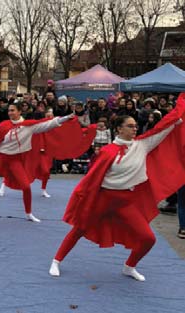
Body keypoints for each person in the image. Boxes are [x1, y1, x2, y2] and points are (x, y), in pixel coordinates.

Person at [49, 96, 185, 281]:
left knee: (148, 239)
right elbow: (91, 179)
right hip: (104, 199)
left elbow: (161, 131)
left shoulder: (142, 145)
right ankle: (56, 260)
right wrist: (82, 197)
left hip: (127, 202)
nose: (135, 128)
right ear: (119, 129)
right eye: (130, 125)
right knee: (79, 229)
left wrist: (179, 117)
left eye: (135, 125)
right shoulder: (108, 151)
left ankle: (129, 267)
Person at [0, 103, 89, 222]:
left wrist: (65, 118)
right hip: (0, 157)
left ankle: (29, 213)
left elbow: (48, 124)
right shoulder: (3, 125)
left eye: (12, 110)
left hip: (15, 159)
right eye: (9, 111)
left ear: (19, 112)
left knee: (26, 186)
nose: (10, 113)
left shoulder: (29, 126)